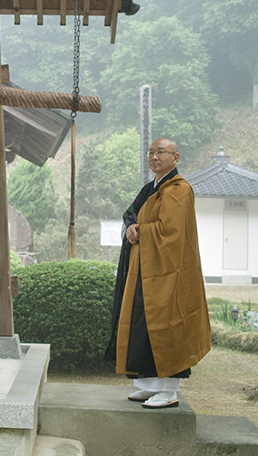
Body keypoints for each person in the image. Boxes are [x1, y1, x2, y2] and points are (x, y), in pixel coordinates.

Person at [104, 138, 211, 409]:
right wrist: (130, 228)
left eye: (160, 152)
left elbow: (172, 233)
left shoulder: (179, 189)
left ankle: (168, 389)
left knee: (166, 327)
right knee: (143, 324)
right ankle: (148, 385)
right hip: (146, 270)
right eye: (151, 152)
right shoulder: (150, 188)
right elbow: (131, 215)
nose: (154, 157)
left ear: (175, 158)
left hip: (169, 273)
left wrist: (142, 231)